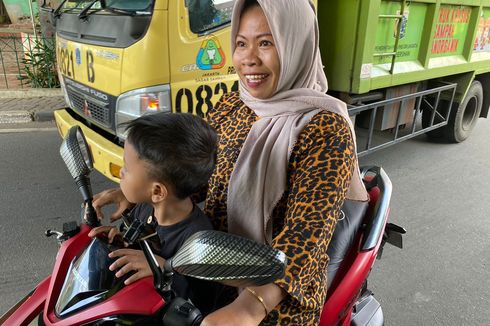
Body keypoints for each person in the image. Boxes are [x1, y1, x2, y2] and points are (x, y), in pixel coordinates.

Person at [92, 0, 368, 324]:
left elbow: (306, 238)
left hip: (274, 292)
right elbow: (190, 167)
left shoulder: (325, 128)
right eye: (241, 43)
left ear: (296, 44)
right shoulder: (234, 103)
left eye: (266, 43)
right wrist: (138, 191)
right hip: (204, 258)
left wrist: (250, 307)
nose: (249, 58)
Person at [88, 112, 219, 315]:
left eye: (127, 168)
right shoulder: (145, 207)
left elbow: (200, 305)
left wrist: (166, 270)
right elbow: (135, 244)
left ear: (157, 191)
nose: (121, 173)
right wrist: (118, 241)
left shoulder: (198, 241)